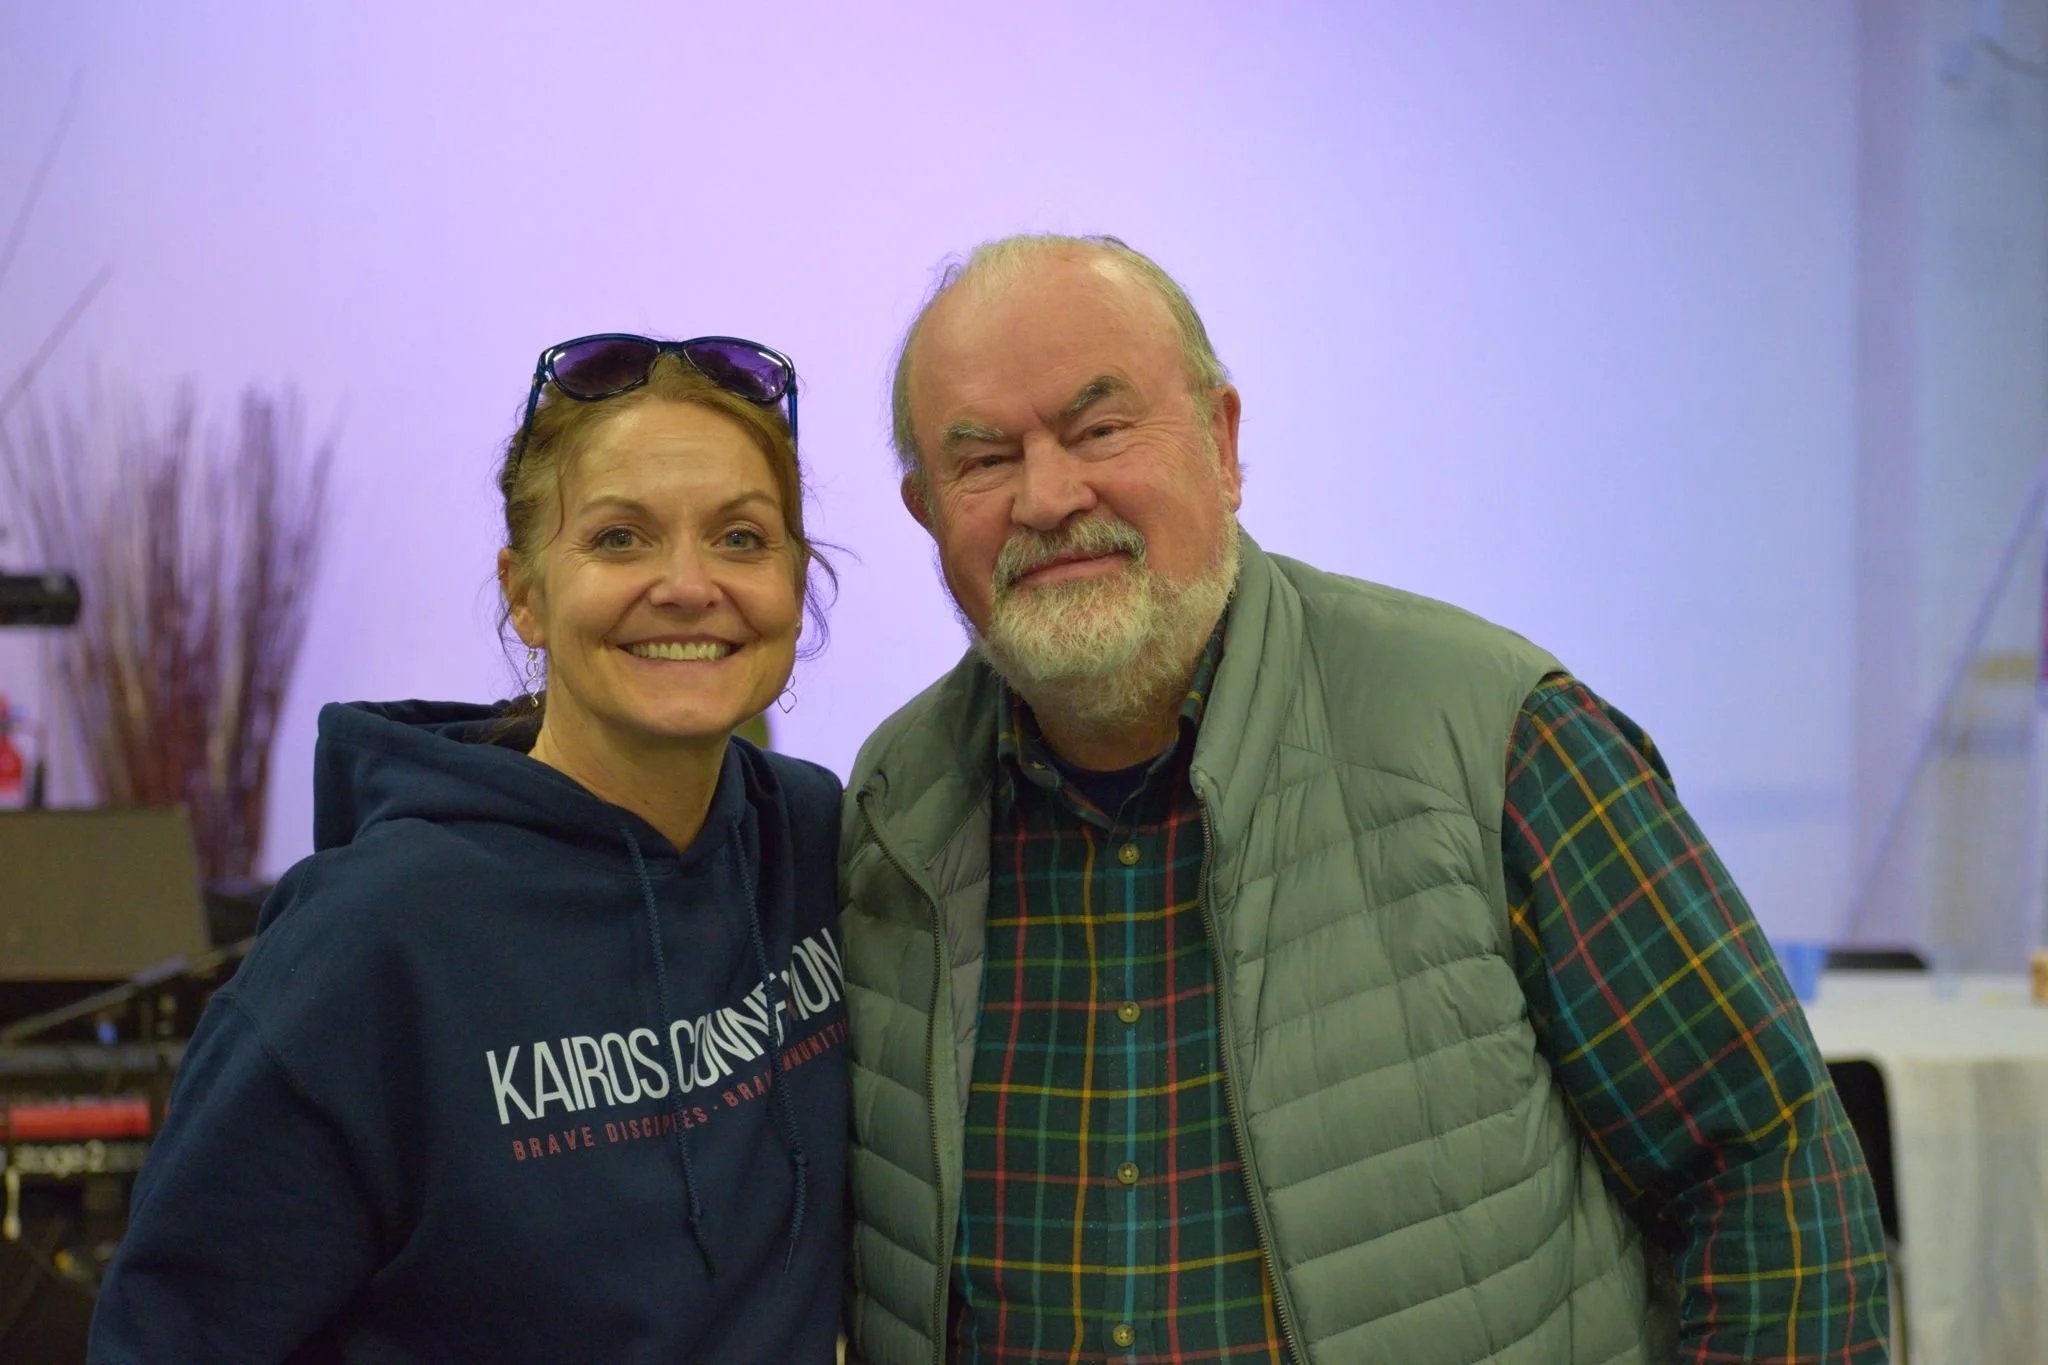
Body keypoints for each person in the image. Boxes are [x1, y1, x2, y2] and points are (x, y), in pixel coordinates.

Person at [838, 235, 1891, 1365]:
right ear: (925, 512)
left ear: (1222, 443)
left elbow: (1766, 1177)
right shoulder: (893, 815)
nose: (1048, 496)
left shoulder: (1489, 737)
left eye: (1098, 429)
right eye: (983, 460)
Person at [90, 335, 849, 1363]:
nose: (685, 584)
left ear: (794, 583)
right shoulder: (369, 945)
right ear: (526, 592)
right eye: (619, 539)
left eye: (741, 539)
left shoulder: (811, 843)